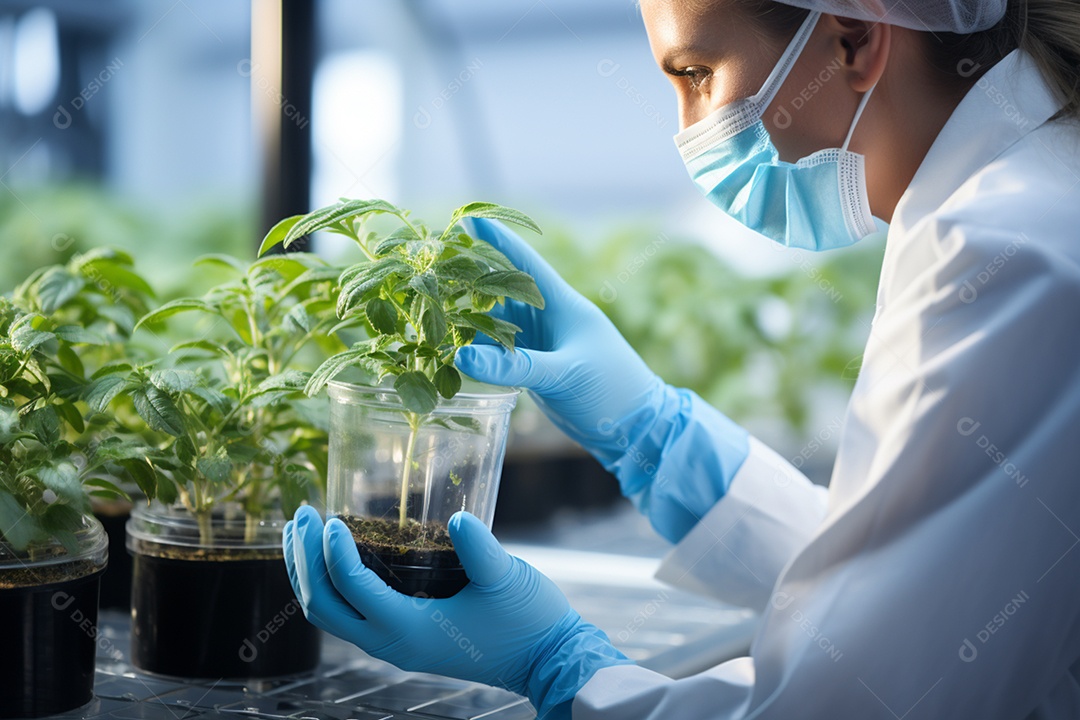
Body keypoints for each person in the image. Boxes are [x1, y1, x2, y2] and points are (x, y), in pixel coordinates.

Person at [284, 0, 1080, 716]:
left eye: (697, 74)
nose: (688, 131)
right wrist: (651, 435)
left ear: (854, 38)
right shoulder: (1021, 197)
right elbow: (915, 585)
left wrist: (562, 666)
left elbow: (842, 702)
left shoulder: (1005, 254)